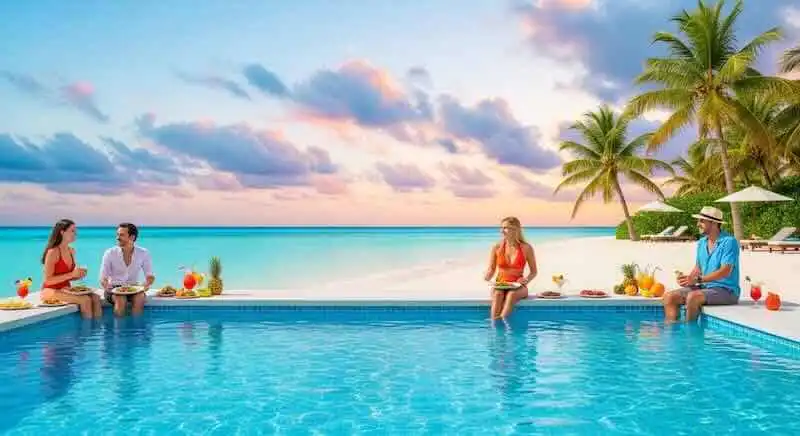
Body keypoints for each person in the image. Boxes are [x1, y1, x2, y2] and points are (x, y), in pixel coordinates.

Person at [662, 206, 741, 323]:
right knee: (669, 297)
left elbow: (726, 271)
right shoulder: (701, 242)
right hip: (704, 287)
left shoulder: (729, 242)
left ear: (714, 223)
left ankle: (690, 336)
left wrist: (698, 279)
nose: (698, 224)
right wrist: (688, 279)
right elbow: (698, 268)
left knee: (693, 297)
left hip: (726, 291)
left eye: (702, 221)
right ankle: (672, 335)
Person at [40, 219, 103, 319]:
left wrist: (78, 275)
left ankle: (97, 330)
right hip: (50, 290)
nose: (75, 234)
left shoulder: (71, 251)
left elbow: (69, 276)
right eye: (72, 231)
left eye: (75, 231)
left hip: (66, 289)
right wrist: (71, 275)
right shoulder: (53, 252)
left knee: (96, 298)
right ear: (62, 232)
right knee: (85, 300)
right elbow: (48, 280)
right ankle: (87, 333)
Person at [484, 216, 538, 320]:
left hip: (519, 286)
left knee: (511, 295)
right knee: (498, 294)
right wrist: (486, 277)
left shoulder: (526, 248)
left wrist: (525, 280)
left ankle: (502, 324)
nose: (502, 231)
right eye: (502, 228)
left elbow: (534, 272)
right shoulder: (497, 247)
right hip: (500, 284)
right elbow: (491, 269)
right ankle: (495, 326)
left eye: (505, 228)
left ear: (515, 229)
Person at [99, 223, 155, 317]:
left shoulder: (143, 253)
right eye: (117, 234)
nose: (117, 237)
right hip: (113, 289)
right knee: (120, 299)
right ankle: (119, 330)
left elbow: (150, 276)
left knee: (140, 298)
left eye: (121, 235)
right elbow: (103, 277)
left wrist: (146, 284)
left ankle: (136, 329)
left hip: (134, 288)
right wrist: (106, 285)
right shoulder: (110, 253)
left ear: (132, 237)